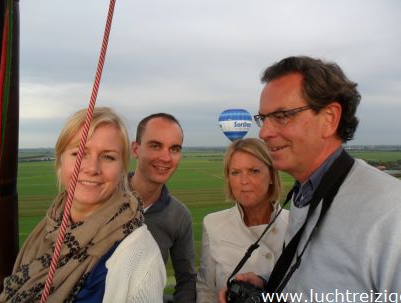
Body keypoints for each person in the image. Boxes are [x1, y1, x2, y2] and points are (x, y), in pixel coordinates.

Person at [219, 56, 401, 302]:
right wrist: (270, 284)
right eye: (263, 118)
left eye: (282, 115)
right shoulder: (305, 192)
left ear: (329, 119)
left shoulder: (391, 211)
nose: (264, 132)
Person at [0, 107, 166, 303]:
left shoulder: (141, 258)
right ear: (60, 161)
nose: (92, 168)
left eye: (108, 157)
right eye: (79, 153)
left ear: (122, 168)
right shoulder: (48, 228)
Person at [196, 138, 288, 303]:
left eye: (253, 171)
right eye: (235, 172)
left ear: (272, 176)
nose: (243, 181)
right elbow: (205, 288)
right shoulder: (213, 224)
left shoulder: (296, 225)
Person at [129, 113, 196, 303]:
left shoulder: (179, 216)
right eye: (155, 146)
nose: (166, 157)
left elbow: (187, 279)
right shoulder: (104, 198)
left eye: (174, 149)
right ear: (136, 149)